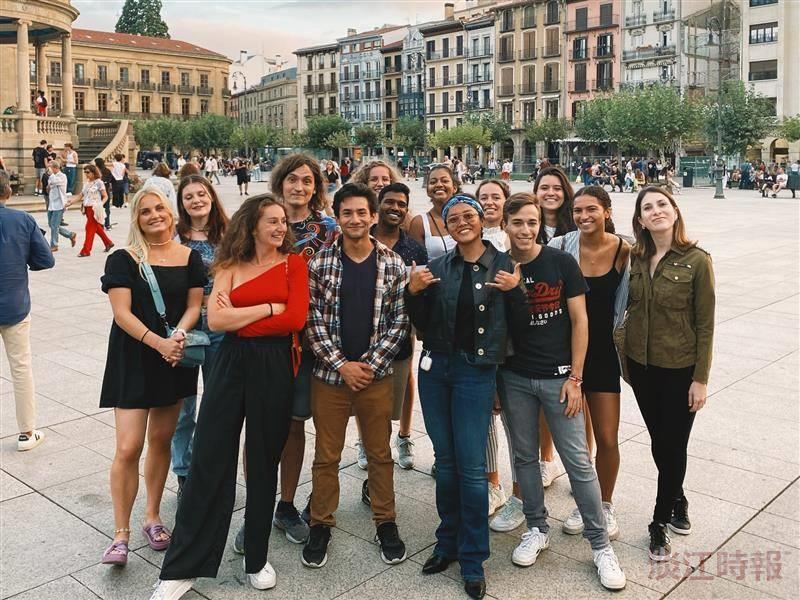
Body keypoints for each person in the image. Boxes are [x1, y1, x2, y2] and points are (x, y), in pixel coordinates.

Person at [151, 195, 308, 599]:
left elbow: (295, 319)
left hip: (274, 365)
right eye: (271, 221)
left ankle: (257, 557)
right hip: (230, 361)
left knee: (263, 459)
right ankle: (182, 568)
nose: (280, 227)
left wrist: (244, 314)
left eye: (283, 221)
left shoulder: (294, 264)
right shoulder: (228, 265)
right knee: (209, 456)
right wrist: (269, 307)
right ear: (252, 226)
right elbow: (217, 320)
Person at [498, 192, 627, 590]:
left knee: (578, 462)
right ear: (504, 225)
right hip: (515, 378)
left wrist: (576, 378)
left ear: (541, 225)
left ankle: (600, 544)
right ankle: (536, 528)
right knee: (524, 457)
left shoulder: (560, 262)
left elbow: (580, 320)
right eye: (517, 222)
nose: (525, 230)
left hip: (558, 378)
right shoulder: (497, 265)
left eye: (532, 222)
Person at [405, 193, 521, 600]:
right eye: (453, 218)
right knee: (446, 462)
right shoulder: (437, 267)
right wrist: (413, 293)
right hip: (436, 371)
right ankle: (447, 542)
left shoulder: (505, 265)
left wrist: (516, 292)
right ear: (446, 225)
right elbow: (421, 324)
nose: (461, 223)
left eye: (468, 215)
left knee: (472, 468)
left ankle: (473, 559)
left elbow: (519, 327)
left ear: (482, 218)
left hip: (476, 373)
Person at [232, 154, 337, 552]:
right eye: (293, 179)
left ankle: (287, 505)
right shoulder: (258, 221)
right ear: (280, 183)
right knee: (258, 427)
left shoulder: (329, 230)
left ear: (316, 187)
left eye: (307, 181)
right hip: (262, 341)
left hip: (309, 343)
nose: (299, 187)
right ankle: (255, 509)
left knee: (294, 424)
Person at [303, 183, 410, 569]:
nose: (355, 219)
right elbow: (312, 320)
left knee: (380, 453)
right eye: (347, 213)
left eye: (362, 212)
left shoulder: (393, 263)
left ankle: (385, 521)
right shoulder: (320, 263)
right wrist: (341, 365)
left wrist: (368, 365)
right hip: (329, 377)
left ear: (373, 216)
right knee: (326, 455)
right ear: (337, 216)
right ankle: (321, 522)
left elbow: (400, 321)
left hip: (374, 377)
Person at [99, 187, 205, 567]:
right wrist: (158, 342)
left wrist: (177, 336)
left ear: (171, 213)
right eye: (145, 211)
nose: (154, 215)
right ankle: (120, 534)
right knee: (128, 447)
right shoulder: (123, 258)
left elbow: (194, 306)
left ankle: (153, 517)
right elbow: (121, 314)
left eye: (160, 208)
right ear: (137, 219)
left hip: (172, 358)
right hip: (133, 358)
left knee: (161, 441)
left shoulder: (190, 258)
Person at [624, 186, 715, 561]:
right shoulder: (634, 258)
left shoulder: (697, 260)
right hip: (641, 367)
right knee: (659, 441)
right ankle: (677, 496)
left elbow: (705, 324)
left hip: (680, 368)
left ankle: (660, 521)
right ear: (641, 220)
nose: (656, 210)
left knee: (673, 445)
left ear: (675, 212)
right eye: (648, 207)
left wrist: (701, 379)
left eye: (662, 204)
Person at [548, 186, 630, 543]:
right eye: (578, 210)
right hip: (566, 352)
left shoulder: (624, 250)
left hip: (604, 354)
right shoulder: (561, 246)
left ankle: (605, 505)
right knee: (577, 440)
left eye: (591, 209)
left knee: (607, 436)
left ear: (606, 211)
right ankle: (586, 502)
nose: (583, 216)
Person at [170, 175, 230, 496]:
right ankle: (184, 472)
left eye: (201, 194)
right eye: (189, 196)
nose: (196, 200)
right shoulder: (174, 235)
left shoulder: (229, 233)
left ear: (211, 197)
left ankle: (211, 467)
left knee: (217, 401)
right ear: (182, 203)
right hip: (185, 324)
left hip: (220, 324)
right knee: (183, 407)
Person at [370, 182, 428, 473]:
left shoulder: (414, 249)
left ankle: (402, 438)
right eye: (389, 202)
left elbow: (422, 294)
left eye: (401, 204)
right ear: (378, 204)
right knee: (368, 397)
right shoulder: (361, 238)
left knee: (399, 388)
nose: (395, 208)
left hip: (400, 335)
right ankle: (368, 443)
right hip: (363, 332)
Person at [0, 171, 54, 451]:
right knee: (21, 369)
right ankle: (26, 433)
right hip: (15, 306)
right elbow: (46, 260)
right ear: (8, 192)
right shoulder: (23, 220)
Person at [408, 164, 458, 263]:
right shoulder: (419, 223)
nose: (439, 185)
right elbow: (415, 263)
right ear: (427, 190)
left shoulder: (467, 217)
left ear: (454, 188)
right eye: (433, 182)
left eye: (445, 181)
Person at [69, 164, 114, 257]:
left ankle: (86, 250)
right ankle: (108, 242)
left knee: (89, 228)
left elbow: (105, 196)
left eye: (88, 172)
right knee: (96, 228)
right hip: (87, 209)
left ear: (94, 173)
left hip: (94, 208)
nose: (86, 174)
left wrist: (100, 204)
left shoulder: (99, 182)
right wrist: (70, 202)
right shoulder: (86, 184)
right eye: (85, 172)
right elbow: (80, 195)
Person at [45, 160, 76, 251]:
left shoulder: (62, 176)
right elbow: (49, 187)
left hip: (59, 204)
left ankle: (54, 245)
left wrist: (51, 175)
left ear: (55, 168)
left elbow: (55, 182)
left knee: (54, 226)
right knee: (51, 224)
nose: (48, 169)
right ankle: (70, 234)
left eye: (50, 167)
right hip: (52, 204)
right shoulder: (52, 176)